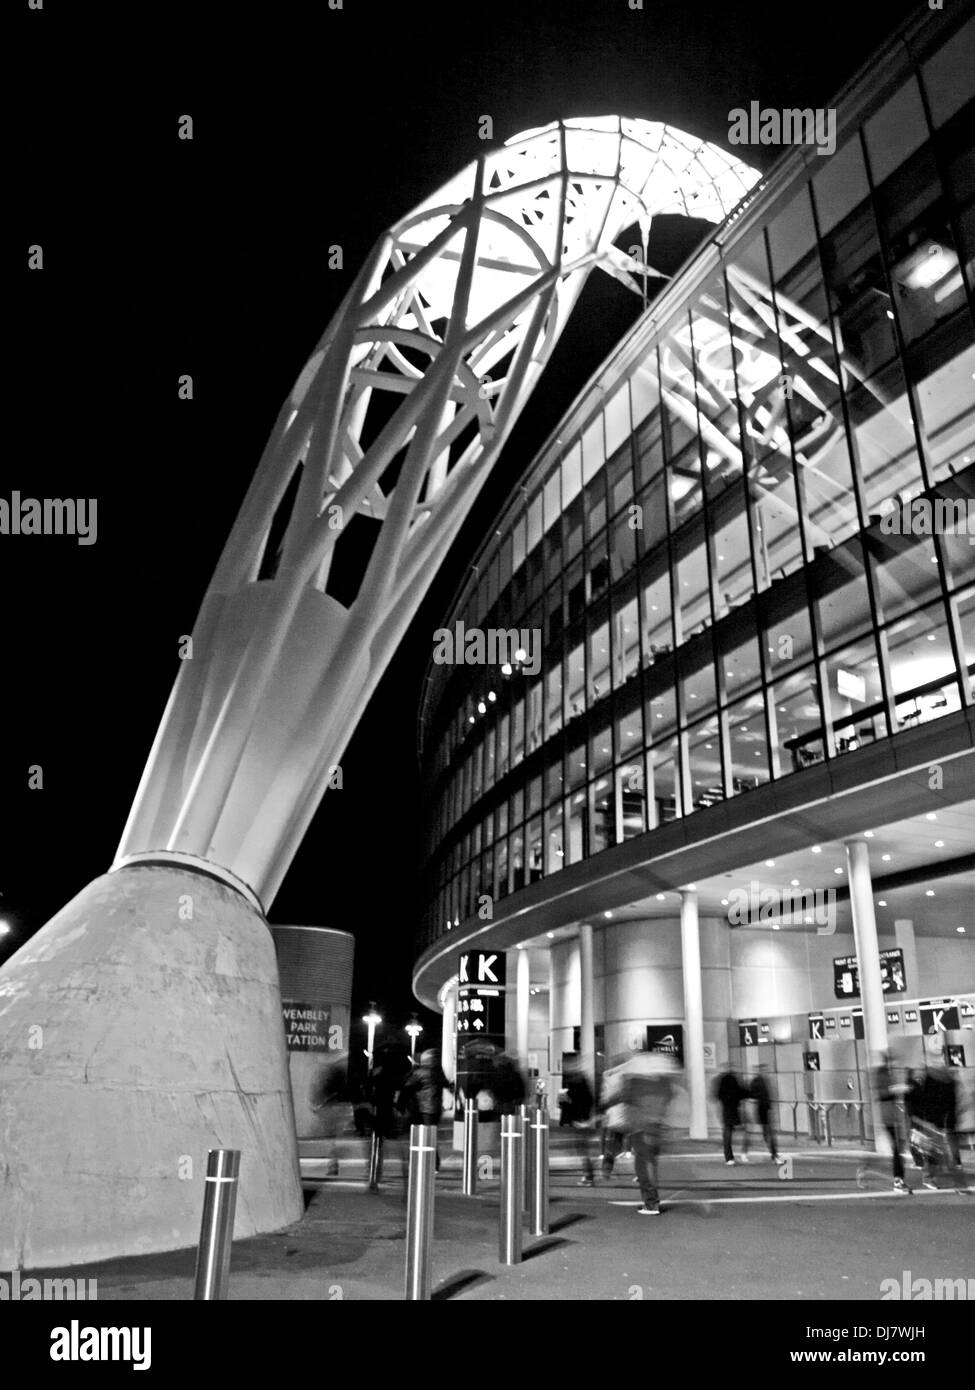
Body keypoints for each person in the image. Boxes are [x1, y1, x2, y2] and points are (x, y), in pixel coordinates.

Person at [616, 1048, 679, 1215]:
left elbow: (625, 1097)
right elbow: (670, 1095)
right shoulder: (663, 1080)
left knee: (643, 1163)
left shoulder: (637, 1080)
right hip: (656, 1123)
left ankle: (651, 1204)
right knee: (650, 1161)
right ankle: (651, 1201)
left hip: (640, 1125)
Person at [400, 1048, 448, 1170]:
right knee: (431, 1136)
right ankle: (434, 1164)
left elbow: (407, 1086)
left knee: (418, 1137)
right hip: (435, 1110)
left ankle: (418, 1163)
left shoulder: (420, 1072)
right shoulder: (438, 1072)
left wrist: (413, 1071)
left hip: (421, 1110)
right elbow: (446, 1084)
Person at [871, 1053, 909, 1194]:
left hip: (892, 1116)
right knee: (897, 1149)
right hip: (888, 1116)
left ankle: (898, 1178)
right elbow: (882, 1093)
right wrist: (896, 1089)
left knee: (897, 1149)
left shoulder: (886, 1073)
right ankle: (898, 1180)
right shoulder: (881, 1074)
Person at [561, 1056, 597, 1185]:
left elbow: (578, 1101)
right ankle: (588, 1174)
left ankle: (588, 1176)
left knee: (582, 1148)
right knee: (582, 1148)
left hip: (579, 1119)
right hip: (582, 1118)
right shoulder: (580, 1079)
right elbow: (590, 1100)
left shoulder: (576, 1081)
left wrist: (566, 1102)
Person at [747, 1066, 786, 1165]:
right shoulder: (758, 1082)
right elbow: (753, 1095)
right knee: (768, 1133)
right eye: (763, 1070)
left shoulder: (762, 1081)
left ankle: (773, 1153)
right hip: (763, 1110)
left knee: (767, 1133)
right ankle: (774, 1154)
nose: (765, 1072)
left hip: (763, 1109)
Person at [716, 1069, 746, 1165]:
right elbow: (741, 1093)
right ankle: (730, 1157)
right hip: (733, 1110)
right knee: (729, 1132)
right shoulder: (733, 1080)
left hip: (726, 1110)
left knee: (727, 1132)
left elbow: (718, 1095)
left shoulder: (723, 1080)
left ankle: (729, 1157)